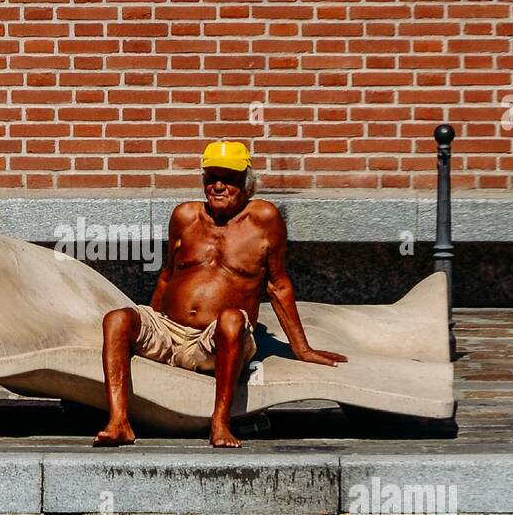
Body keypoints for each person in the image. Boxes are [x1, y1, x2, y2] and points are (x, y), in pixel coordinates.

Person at [93, 140, 348, 448]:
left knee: (231, 321)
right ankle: (119, 422)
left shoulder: (264, 219)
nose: (218, 185)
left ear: (248, 184)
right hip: (169, 330)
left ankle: (220, 424)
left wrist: (302, 349)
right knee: (116, 319)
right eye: (211, 177)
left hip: (215, 340)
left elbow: (278, 285)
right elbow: (167, 276)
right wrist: (151, 320)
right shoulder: (185, 216)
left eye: (229, 178)